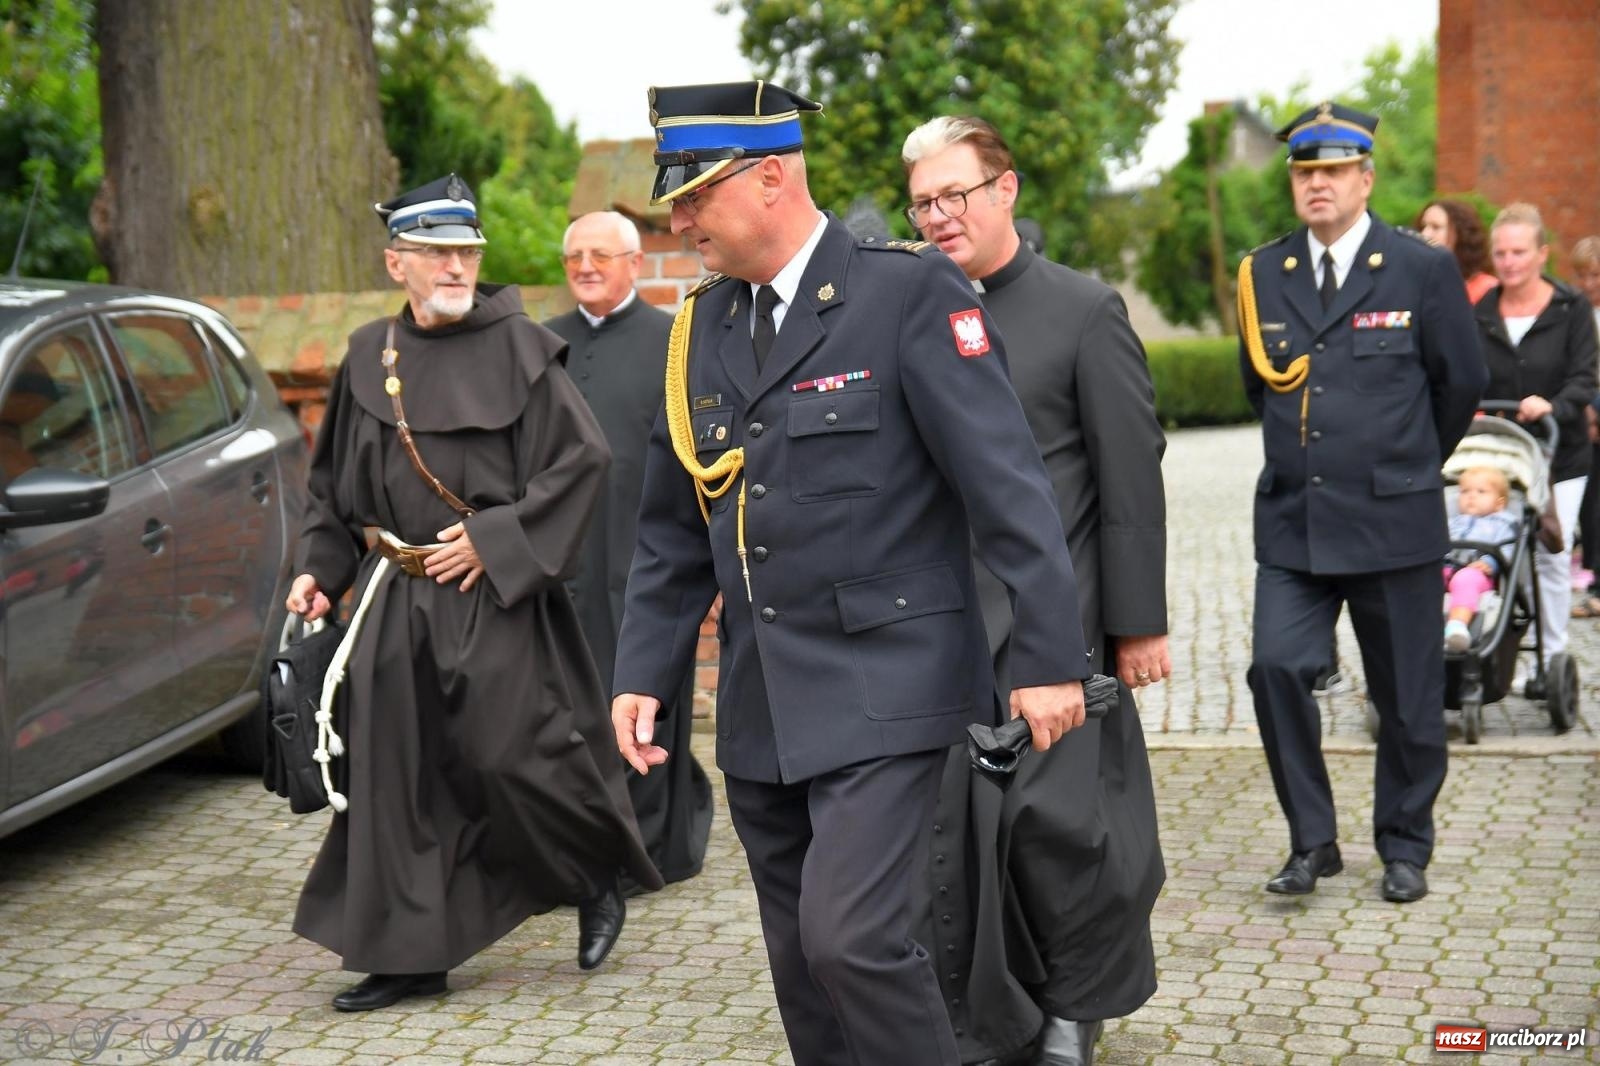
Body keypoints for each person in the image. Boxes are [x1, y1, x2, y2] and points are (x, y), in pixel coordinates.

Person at [610, 81, 1092, 1066]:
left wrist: (1047, 656)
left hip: (889, 679)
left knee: (854, 939)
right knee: (800, 959)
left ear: (771, 178)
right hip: (763, 700)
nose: (679, 216)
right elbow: (670, 529)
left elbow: (1008, 488)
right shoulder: (699, 328)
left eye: (696, 193)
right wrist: (638, 673)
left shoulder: (906, 292)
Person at [285, 173, 661, 1012]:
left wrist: (495, 543)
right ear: (397, 264)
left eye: (467, 252)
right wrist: (320, 568)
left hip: (494, 600)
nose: (458, 267)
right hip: (394, 598)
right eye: (438, 254)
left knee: (513, 754)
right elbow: (332, 491)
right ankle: (413, 956)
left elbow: (583, 461)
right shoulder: (365, 356)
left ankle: (593, 874)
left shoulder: (518, 347)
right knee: (400, 780)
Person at [900, 114, 1167, 1066]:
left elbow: (1131, 472)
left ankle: (1073, 1007)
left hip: (1062, 613)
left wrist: (1137, 624)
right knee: (961, 829)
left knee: (1057, 830)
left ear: (1004, 191)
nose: (937, 216)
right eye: (922, 201)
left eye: (954, 195)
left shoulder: (1083, 311)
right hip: (942, 616)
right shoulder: (903, 308)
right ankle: (988, 1011)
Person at [1237, 102, 1485, 905]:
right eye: (1305, 173)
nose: (1317, 185)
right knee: (1274, 667)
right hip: (1294, 522)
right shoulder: (1264, 273)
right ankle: (1313, 840)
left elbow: (1462, 384)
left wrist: (1409, 463)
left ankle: (1405, 843)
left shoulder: (1418, 269)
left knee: (1409, 700)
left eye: (1333, 171)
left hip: (1393, 520)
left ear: (1366, 178)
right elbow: (1259, 389)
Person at [544, 210, 713, 889]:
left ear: (634, 264)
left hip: (642, 553)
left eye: (601, 255)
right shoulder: (541, 344)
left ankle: (643, 848)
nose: (586, 266)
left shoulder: (674, 342)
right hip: (562, 559)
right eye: (575, 256)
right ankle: (565, 843)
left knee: (641, 694)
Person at [1474, 204, 1600, 660]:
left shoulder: (1571, 308)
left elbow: (1584, 378)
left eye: (1519, 252)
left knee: (1548, 554)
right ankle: (1498, 648)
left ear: (1541, 253)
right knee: (1499, 552)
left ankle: (1551, 658)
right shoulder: (1481, 312)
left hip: (1559, 455)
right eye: (1501, 252)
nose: (1509, 261)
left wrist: (1554, 405)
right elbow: (1468, 374)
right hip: (1501, 454)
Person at [1443, 466, 1520, 652]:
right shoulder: (1452, 522)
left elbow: (1508, 548)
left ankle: (1456, 626)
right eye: (1465, 491)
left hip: (1478, 573)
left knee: (1465, 579)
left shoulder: (1502, 523)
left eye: (1481, 492)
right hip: (1447, 567)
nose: (1471, 496)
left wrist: (1491, 563)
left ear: (1499, 503)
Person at [1565, 235, 1600, 617]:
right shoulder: (1577, 312)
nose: (1589, 283)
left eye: (1596, 275)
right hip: (1584, 410)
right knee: (1590, 507)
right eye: (1583, 275)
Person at [1417, 199, 1498, 303]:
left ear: (1461, 235)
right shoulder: (1411, 284)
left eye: (1436, 227)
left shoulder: (1487, 289)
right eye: (1423, 227)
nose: (1425, 234)